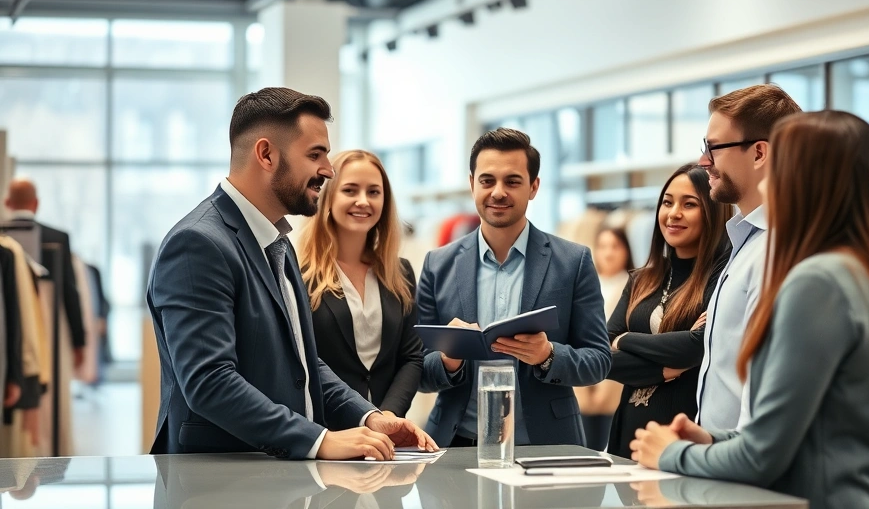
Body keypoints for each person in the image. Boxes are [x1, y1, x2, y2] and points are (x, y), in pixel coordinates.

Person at [630, 111, 869, 509]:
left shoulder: (819, 282)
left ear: (806, 181)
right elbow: (811, 435)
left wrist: (670, 454)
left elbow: (761, 458)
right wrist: (710, 441)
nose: (767, 183)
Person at [147, 87, 436, 460]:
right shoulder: (197, 243)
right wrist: (320, 440)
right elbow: (209, 382)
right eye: (315, 155)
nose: (327, 170)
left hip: (279, 472)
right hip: (218, 476)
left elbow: (304, 364)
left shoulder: (278, 244)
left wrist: (368, 416)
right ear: (266, 154)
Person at [417, 127, 611, 447]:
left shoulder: (573, 262)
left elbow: (599, 361)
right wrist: (448, 360)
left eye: (512, 181)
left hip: (546, 444)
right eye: (487, 181)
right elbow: (417, 369)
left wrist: (548, 355)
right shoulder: (437, 265)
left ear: (533, 187)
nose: (498, 192)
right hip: (456, 442)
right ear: (472, 184)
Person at [693, 84, 801, 432]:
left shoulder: (778, 249)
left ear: (759, 153)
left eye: (713, 148)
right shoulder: (747, 240)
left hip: (740, 460)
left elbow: (763, 402)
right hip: (718, 455)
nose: (703, 161)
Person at [604, 164, 730, 458]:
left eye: (689, 204)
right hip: (628, 431)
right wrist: (663, 368)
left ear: (712, 212)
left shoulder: (722, 275)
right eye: (667, 202)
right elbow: (601, 355)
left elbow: (697, 346)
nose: (673, 213)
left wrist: (624, 339)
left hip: (683, 434)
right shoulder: (641, 279)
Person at [297, 149, 423, 418]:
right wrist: (365, 418)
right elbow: (304, 362)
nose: (363, 201)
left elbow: (412, 357)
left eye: (374, 192)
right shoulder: (300, 275)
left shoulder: (400, 273)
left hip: (389, 431)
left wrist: (389, 417)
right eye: (350, 190)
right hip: (326, 429)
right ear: (328, 198)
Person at [5, 179, 87, 369]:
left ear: (7, 202)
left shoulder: (3, 237)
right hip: (49, 328)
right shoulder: (57, 238)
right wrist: (78, 341)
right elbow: (69, 291)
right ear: (36, 203)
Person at [574, 227, 633, 451]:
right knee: (584, 440)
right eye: (602, 246)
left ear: (626, 250)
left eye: (615, 246)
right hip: (584, 366)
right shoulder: (587, 283)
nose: (608, 253)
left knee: (609, 440)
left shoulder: (633, 284)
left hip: (615, 371)